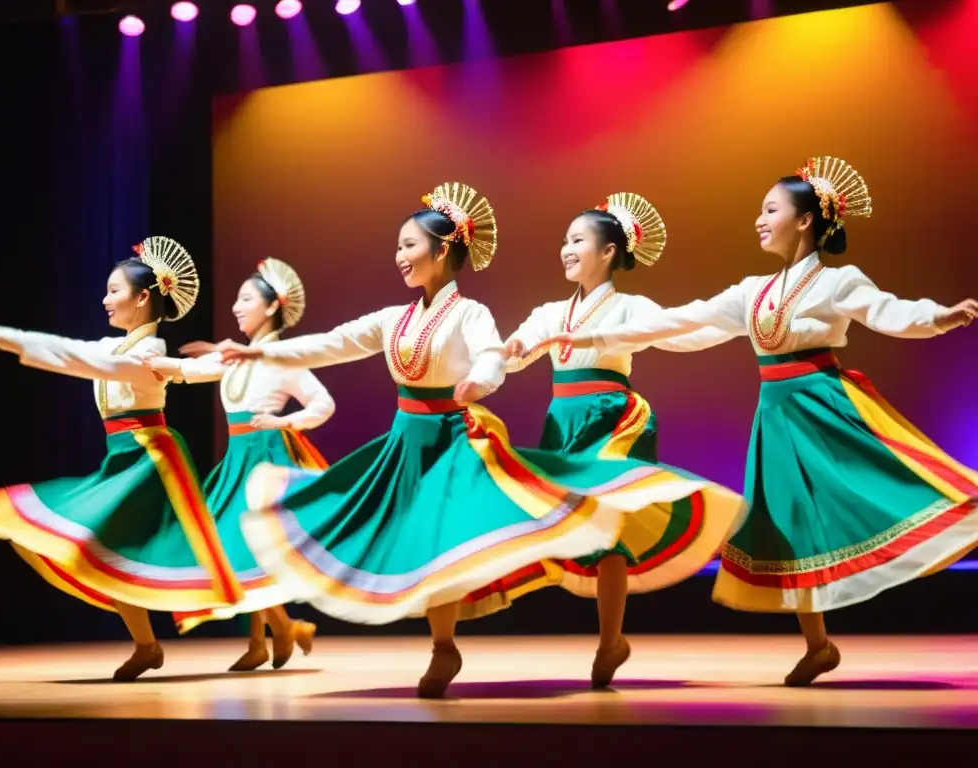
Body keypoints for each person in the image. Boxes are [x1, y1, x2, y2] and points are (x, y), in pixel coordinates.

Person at [210, 181, 746, 697]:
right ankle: (447, 644)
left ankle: (604, 638)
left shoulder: (476, 312)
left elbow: (667, 329)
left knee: (601, 522)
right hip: (431, 436)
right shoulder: (409, 317)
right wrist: (258, 352)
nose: (398, 255)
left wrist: (483, 378)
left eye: (409, 245)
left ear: (442, 251)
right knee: (436, 539)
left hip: (585, 419)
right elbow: (336, 344)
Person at [534, 157, 978, 685]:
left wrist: (936, 317)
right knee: (785, 521)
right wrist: (583, 338)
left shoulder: (837, 281)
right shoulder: (752, 291)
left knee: (873, 486)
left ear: (806, 219)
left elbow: (887, 310)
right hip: (777, 414)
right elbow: (685, 318)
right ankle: (819, 645)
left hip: (826, 406)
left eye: (771, 210)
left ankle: (956, 511)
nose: (760, 220)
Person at [0, 237, 244, 681]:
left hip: (150, 456)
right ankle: (147, 646)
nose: (105, 299)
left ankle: (264, 623)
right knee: (107, 547)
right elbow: (71, 349)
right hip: (123, 455)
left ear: (143, 297)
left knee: (150, 547)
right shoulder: (115, 347)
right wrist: (1, 339)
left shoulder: (152, 351)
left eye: (114, 290)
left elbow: (81, 358)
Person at [499, 193, 744, 686]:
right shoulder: (549, 311)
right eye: (563, 240)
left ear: (609, 251)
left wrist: (740, 324)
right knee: (574, 527)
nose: (565, 249)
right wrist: (509, 352)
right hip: (563, 422)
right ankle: (613, 639)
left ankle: (610, 639)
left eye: (577, 240)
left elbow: (682, 332)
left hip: (615, 418)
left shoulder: (633, 307)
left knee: (609, 528)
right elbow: (514, 352)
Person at [144, 258, 329, 671]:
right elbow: (202, 369)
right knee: (233, 545)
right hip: (239, 458)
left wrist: (285, 421)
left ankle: (279, 631)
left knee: (251, 545)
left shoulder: (284, 357)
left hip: (266, 460)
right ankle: (275, 634)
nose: (235, 307)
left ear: (270, 307)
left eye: (245, 299)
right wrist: (167, 368)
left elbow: (323, 404)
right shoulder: (236, 357)